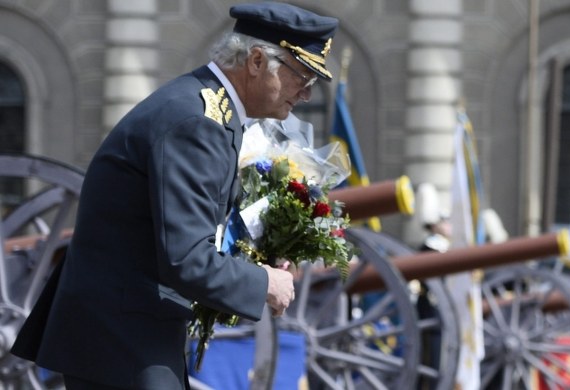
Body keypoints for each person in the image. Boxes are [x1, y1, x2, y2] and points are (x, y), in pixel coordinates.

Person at [10, 2, 338, 388]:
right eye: (302, 76)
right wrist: (263, 282)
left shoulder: (208, 111)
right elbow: (185, 257)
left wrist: (257, 257)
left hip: (128, 333)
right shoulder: (198, 123)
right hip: (122, 339)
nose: (304, 94)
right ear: (255, 61)